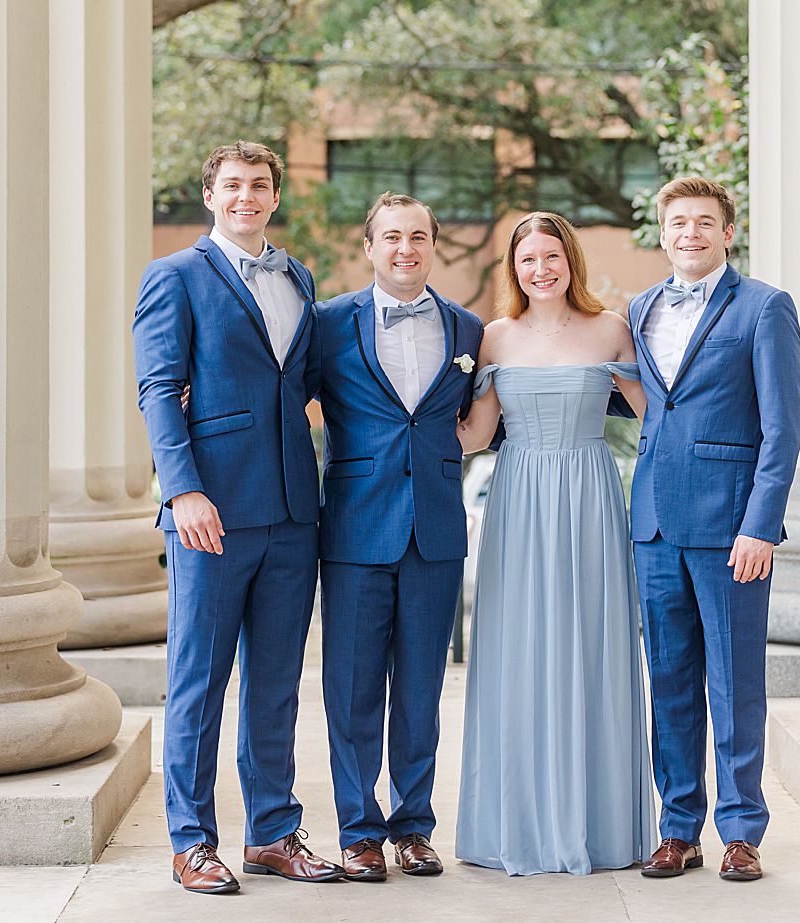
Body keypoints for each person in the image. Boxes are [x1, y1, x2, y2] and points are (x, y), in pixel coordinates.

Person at [134, 140, 341, 894]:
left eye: (259, 184)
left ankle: (274, 832)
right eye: (233, 185)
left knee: (278, 681)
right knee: (200, 680)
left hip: (293, 508)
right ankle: (192, 841)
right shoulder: (175, 276)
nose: (246, 196)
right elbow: (159, 387)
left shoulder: (298, 276)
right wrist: (181, 488)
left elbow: (310, 381)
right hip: (211, 511)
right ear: (210, 194)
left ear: (275, 196)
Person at [454, 211, 654, 875]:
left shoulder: (610, 328)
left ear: (571, 260)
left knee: (590, 647)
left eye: (551, 256)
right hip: (519, 501)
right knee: (520, 648)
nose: (540, 268)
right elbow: (476, 435)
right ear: (514, 269)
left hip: (591, 498)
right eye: (527, 259)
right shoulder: (495, 337)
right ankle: (521, 822)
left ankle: (593, 824)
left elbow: (660, 416)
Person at [626, 178, 800, 882]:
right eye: (678, 222)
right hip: (656, 528)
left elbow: (782, 429)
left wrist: (761, 524)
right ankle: (678, 827)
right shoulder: (639, 309)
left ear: (728, 231)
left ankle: (741, 830)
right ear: (662, 232)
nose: (690, 233)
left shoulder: (763, 308)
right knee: (668, 682)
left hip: (733, 531)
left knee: (734, 684)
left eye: (704, 222)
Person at [309, 193, 485, 881]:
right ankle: (358, 828)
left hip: (436, 530)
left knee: (420, 688)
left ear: (433, 244)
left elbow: (479, 417)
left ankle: (413, 825)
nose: (405, 247)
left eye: (417, 236)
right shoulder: (327, 324)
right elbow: (280, 396)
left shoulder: (468, 329)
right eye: (391, 237)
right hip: (354, 528)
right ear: (369, 246)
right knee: (351, 689)